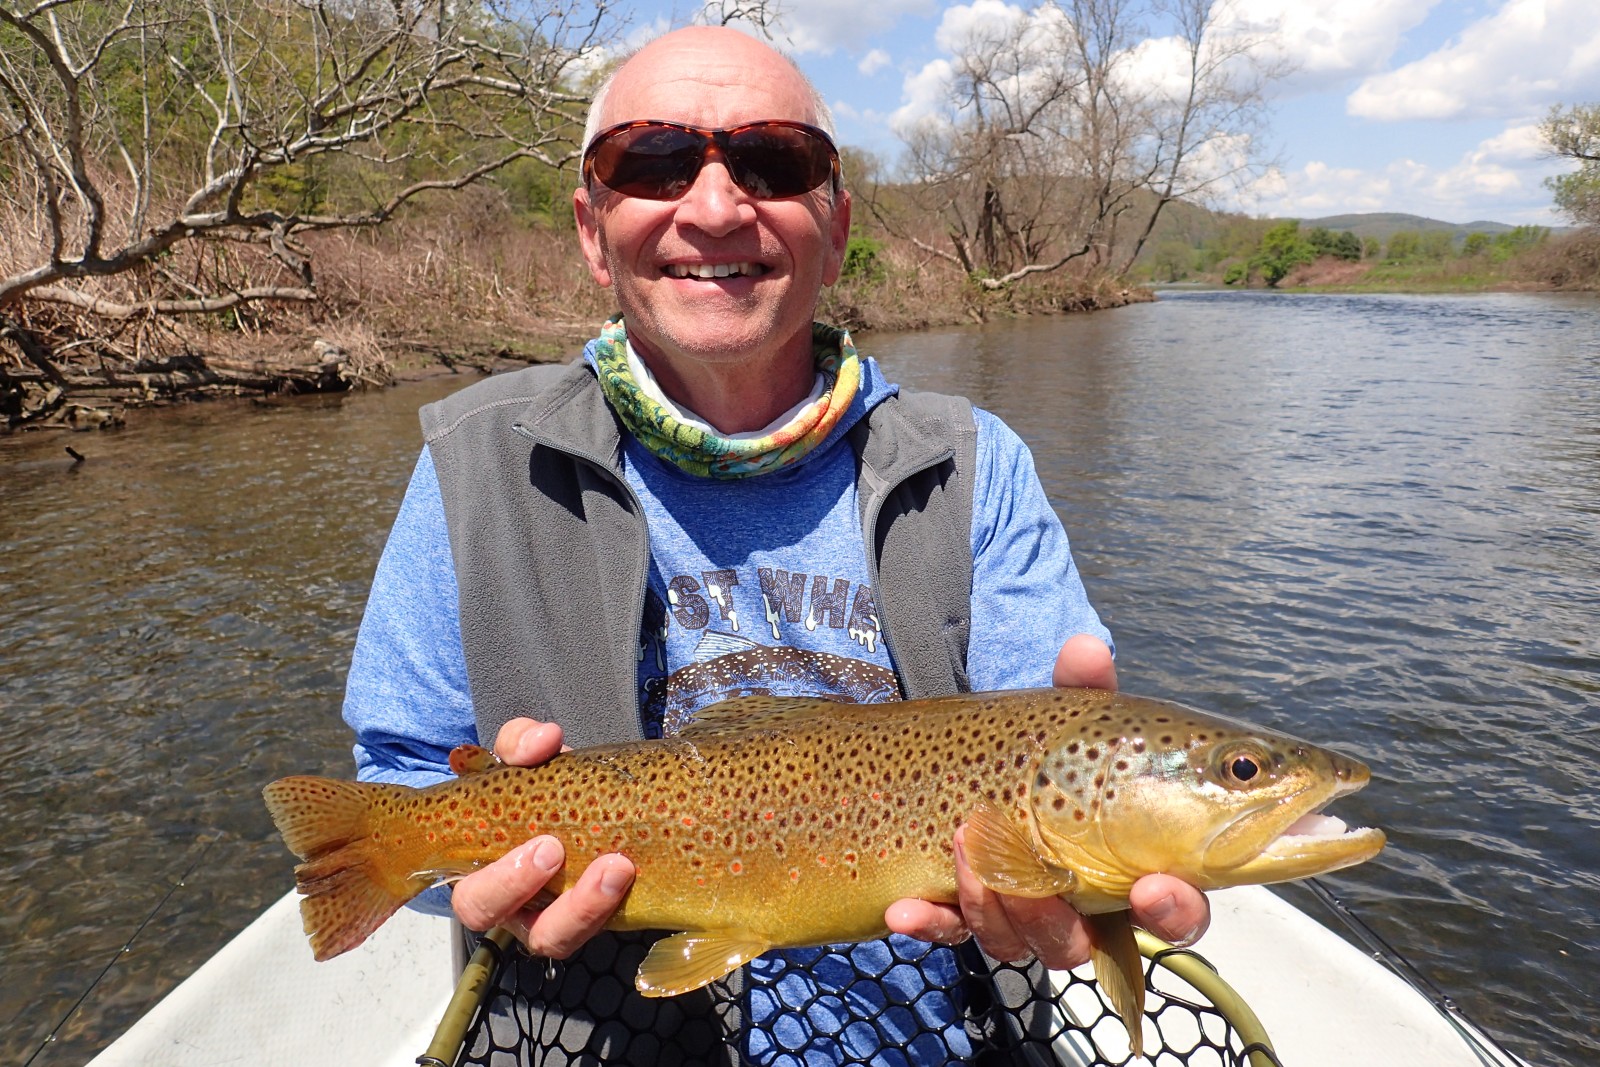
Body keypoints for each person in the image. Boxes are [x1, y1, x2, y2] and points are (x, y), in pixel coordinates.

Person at [342, 24, 1209, 1065]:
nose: (714, 207)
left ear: (835, 226)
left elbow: (1045, 779)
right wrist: (475, 875)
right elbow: (393, 781)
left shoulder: (976, 465)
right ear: (588, 226)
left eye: (774, 163)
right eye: (653, 162)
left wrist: (1078, 902)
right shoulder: (473, 467)